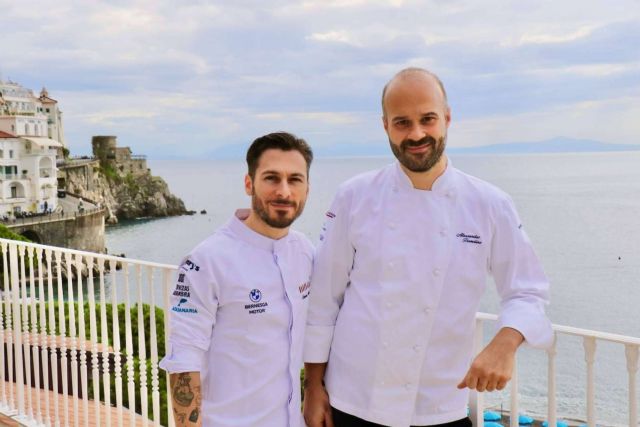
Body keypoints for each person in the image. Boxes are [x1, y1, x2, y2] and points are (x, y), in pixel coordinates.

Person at [303, 68, 553, 427]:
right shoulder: (353, 197)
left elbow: (528, 291)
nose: (416, 134)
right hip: (353, 400)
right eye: (402, 122)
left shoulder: (489, 204)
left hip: (441, 404)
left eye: (427, 119)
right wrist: (314, 388)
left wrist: (505, 342)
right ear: (385, 126)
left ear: (447, 119)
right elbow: (324, 301)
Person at [159, 132, 314, 427]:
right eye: (271, 178)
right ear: (249, 183)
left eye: (295, 179)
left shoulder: (305, 252)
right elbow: (184, 358)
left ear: (307, 188)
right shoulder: (206, 260)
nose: (284, 191)